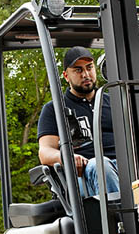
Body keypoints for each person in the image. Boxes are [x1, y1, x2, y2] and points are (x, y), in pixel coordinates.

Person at [37, 46, 120, 197]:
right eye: (78, 70)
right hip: (85, 174)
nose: (86, 74)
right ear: (66, 76)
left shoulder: (115, 101)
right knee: (100, 165)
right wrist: (65, 158)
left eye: (89, 68)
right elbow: (45, 152)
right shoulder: (54, 109)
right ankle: (122, 218)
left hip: (123, 167)